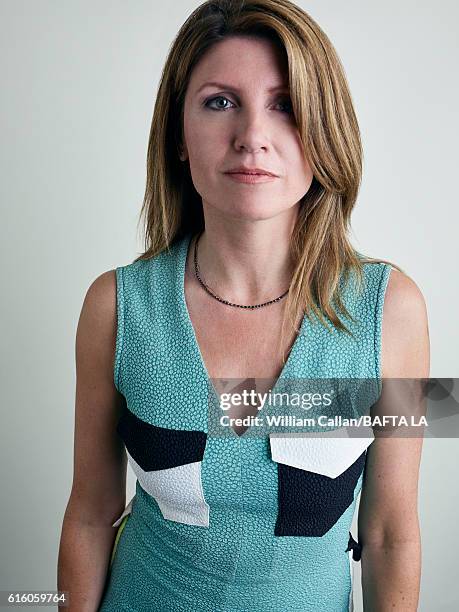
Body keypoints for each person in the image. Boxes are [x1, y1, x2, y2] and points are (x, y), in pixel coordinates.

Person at [57, 1, 430, 610]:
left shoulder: (393, 312)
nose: (252, 136)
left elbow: (389, 535)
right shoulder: (114, 307)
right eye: (219, 101)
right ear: (178, 136)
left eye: (284, 104)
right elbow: (92, 513)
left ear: (323, 129)